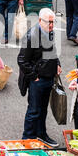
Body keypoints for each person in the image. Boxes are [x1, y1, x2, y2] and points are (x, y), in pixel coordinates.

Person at [17, 8, 62, 146]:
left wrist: (57, 64)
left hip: (48, 77)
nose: (51, 25)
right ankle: (27, 139)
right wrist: (34, 76)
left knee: (43, 110)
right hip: (38, 80)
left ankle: (41, 134)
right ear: (39, 21)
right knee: (34, 111)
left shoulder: (50, 32)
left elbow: (52, 50)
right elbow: (22, 60)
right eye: (48, 22)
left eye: (53, 22)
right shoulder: (31, 36)